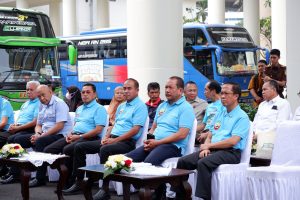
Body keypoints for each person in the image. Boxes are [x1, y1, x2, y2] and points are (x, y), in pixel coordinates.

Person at [63, 78, 148, 198]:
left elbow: (135, 130)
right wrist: (106, 136)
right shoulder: (122, 106)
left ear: (137, 90)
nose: (126, 91)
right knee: (79, 146)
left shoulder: (140, 106)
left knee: (105, 149)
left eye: (129, 88)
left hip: (126, 142)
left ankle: (105, 189)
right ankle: (79, 181)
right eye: (125, 88)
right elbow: (114, 125)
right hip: (112, 139)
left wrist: (114, 140)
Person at [175, 82, 250, 200]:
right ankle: (180, 196)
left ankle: (203, 198)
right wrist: (207, 145)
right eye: (222, 93)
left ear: (236, 96)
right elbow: (210, 133)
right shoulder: (221, 113)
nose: (223, 96)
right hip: (214, 149)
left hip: (230, 152)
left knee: (203, 163)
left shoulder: (242, 117)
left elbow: (233, 141)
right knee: (183, 161)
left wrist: (209, 146)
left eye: (226, 93)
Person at [127, 76, 194, 199]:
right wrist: (149, 140)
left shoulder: (186, 108)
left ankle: (157, 194)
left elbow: (182, 134)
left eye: (170, 87)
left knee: (148, 164)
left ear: (180, 91)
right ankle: (154, 189)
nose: (167, 90)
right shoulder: (162, 106)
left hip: (173, 146)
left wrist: (157, 142)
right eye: (166, 87)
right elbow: (153, 128)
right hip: (156, 143)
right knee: (127, 160)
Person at [31, 83, 107, 189]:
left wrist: (79, 136)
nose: (85, 94)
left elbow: (98, 130)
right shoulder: (79, 108)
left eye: (88, 92)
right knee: (49, 149)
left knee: (68, 149)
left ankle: (73, 181)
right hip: (74, 136)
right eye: (83, 92)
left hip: (89, 137)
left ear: (95, 94)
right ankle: (63, 176)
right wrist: (70, 134)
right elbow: (75, 126)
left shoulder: (99, 108)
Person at [0, 81, 40, 179]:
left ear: (38, 91)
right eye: (27, 89)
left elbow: (35, 122)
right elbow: (20, 119)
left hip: (29, 129)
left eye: (31, 90)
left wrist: (18, 127)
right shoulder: (25, 103)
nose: (28, 92)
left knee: (14, 139)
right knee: (11, 138)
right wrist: (14, 125)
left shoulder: (39, 103)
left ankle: (14, 173)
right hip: (19, 128)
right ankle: (6, 168)